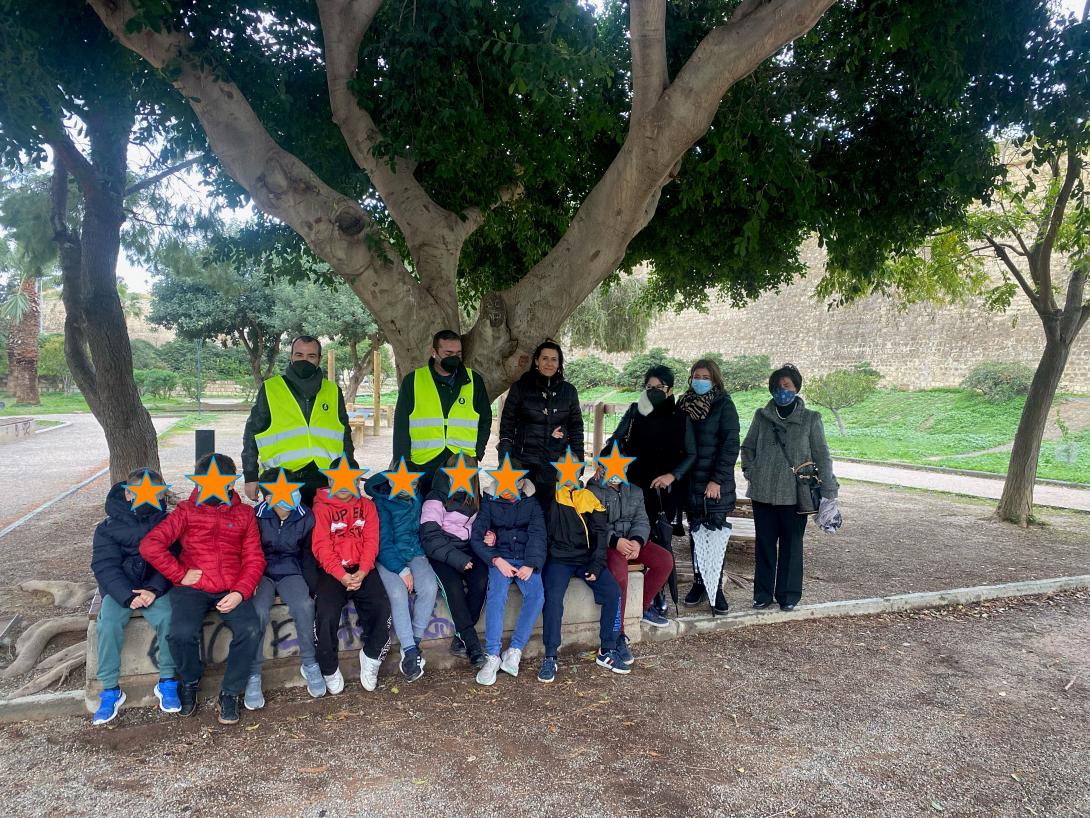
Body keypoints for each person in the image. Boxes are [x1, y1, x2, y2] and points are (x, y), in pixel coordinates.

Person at [139, 453, 265, 726]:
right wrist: (180, 574)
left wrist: (241, 592)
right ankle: (190, 681)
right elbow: (151, 545)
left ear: (232, 483)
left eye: (225, 481)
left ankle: (230, 692)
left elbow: (254, 558)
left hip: (231, 587)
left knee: (250, 630)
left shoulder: (244, 514)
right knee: (181, 634)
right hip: (193, 588)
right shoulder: (186, 510)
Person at [599, 364, 696, 618]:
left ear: (670, 389)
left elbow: (691, 453)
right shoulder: (635, 411)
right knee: (634, 534)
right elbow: (616, 439)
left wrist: (672, 475)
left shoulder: (680, 417)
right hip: (634, 485)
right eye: (648, 387)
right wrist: (604, 462)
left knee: (660, 540)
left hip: (663, 490)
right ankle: (632, 596)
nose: (652, 391)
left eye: (658, 387)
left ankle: (656, 594)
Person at [741, 364, 839, 611]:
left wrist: (829, 493)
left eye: (786, 386)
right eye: (777, 386)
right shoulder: (761, 416)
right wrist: (751, 471)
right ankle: (762, 594)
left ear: (796, 388)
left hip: (796, 494)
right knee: (764, 545)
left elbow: (822, 456)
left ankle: (788, 595)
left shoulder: (811, 419)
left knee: (792, 546)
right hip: (763, 492)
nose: (781, 391)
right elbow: (748, 446)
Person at [90, 468, 178, 725]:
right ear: (128, 494)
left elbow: (173, 558)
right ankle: (110, 689)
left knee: (169, 618)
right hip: (121, 590)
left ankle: (168, 680)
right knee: (107, 624)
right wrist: (127, 596)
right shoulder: (107, 528)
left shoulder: (168, 522)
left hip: (154, 587)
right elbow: (105, 566)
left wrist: (154, 589)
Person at [242, 335, 358, 507]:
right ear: (291, 356)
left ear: (319, 359)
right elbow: (252, 433)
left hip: (324, 479)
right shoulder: (271, 388)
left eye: (311, 356)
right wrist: (250, 476)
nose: (304, 360)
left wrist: (349, 473)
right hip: (281, 479)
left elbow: (345, 435)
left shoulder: (333, 391)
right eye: (299, 355)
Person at [243, 469, 325, 710]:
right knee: (258, 610)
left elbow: (307, 554)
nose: (292, 496)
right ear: (268, 497)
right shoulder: (256, 516)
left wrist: (312, 586)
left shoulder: (305, 516)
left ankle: (309, 663)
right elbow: (249, 551)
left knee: (304, 605)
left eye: (293, 490)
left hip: (291, 570)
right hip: (262, 571)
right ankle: (253, 674)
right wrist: (249, 580)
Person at [310, 459, 392, 694]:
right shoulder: (321, 508)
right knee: (326, 612)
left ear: (357, 481)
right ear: (329, 480)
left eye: (351, 480)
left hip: (362, 567)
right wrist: (342, 576)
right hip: (332, 570)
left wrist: (363, 571)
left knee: (381, 605)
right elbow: (321, 547)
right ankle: (328, 666)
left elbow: (371, 541)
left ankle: (372, 655)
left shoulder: (367, 506)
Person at [538, 480, 628, 683]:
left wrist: (596, 565)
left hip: (585, 559)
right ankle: (550, 656)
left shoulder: (588, 497)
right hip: (559, 559)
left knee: (613, 592)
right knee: (553, 598)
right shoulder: (551, 494)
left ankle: (607, 650)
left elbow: (600, 535)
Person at [392, 329, 492, 497]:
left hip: (463, 464)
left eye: (458, 354)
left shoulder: (474, 381)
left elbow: (485, 420)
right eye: (448, 353)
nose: (454, 358)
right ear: (434, 352)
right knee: (425, 510)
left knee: (463, 511)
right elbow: (401, 426)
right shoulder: (413, 381)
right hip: (423, 463)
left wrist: (477, 453)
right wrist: (401, 462)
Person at [588, 471, 674, 665]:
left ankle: (641, 607)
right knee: (620, 575)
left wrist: (637, 541)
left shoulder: (635, 490)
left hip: (631, 541)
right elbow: (594, 523)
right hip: (609, 544)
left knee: (664, 560)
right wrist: (615, 541)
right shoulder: (594, 489)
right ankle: (618, 633)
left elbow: (641, 520)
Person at [470, 470, 547, 685]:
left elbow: (538, 535)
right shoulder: (489, 500)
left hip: (525, 559)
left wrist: (530, 564)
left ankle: (515, 650)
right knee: (497, 595)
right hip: (500, 558)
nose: (507, 491)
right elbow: (477, 536)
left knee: (537, 596)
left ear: (521, 483)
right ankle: (493, 654)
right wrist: (495, 559)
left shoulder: (531, 501)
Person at [677, 359, 740, 614]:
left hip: (715, 485)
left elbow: (730, 445)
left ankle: (716, 586)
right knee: (696, 535)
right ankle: (699, 583)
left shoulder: (723, 404)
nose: (700, 381)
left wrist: (717, 479)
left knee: (714, 537)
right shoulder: (683, 404)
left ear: (714, 380)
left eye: (705, 377)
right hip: (690, 482)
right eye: (696, 376)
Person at [365, 470, 439, 683]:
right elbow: (383, 541)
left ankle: (414, 642)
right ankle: (409, 650)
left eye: (414, 482)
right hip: (388, 557)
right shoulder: (381, 503)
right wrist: (401, 570)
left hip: (414, 552)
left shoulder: (417, 498)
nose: (411, 486)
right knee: (398, 594)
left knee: (429, 587)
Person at [419, 457, 488, 668]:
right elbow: (430, 537)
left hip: (467, 549)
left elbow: (482, 524)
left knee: (481, 580)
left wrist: (489, 535)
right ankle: (472, 643)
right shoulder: (436, 497)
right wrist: (459, 560)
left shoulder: (474, 497)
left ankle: (460, 638)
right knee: (453, 587)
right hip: (441, 553)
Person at [498, 339, 583, 508]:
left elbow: (576, 428)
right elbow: (507, 424)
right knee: (524, 508)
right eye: (545, 358)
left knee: (552, 508)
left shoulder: (569, 391)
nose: (549, 363)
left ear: (559, 363)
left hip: (556, 462)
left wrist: (578, 462)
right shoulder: (520, 388)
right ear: (537, 361)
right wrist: (505, 458)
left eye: (554, 359)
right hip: (525, 460)